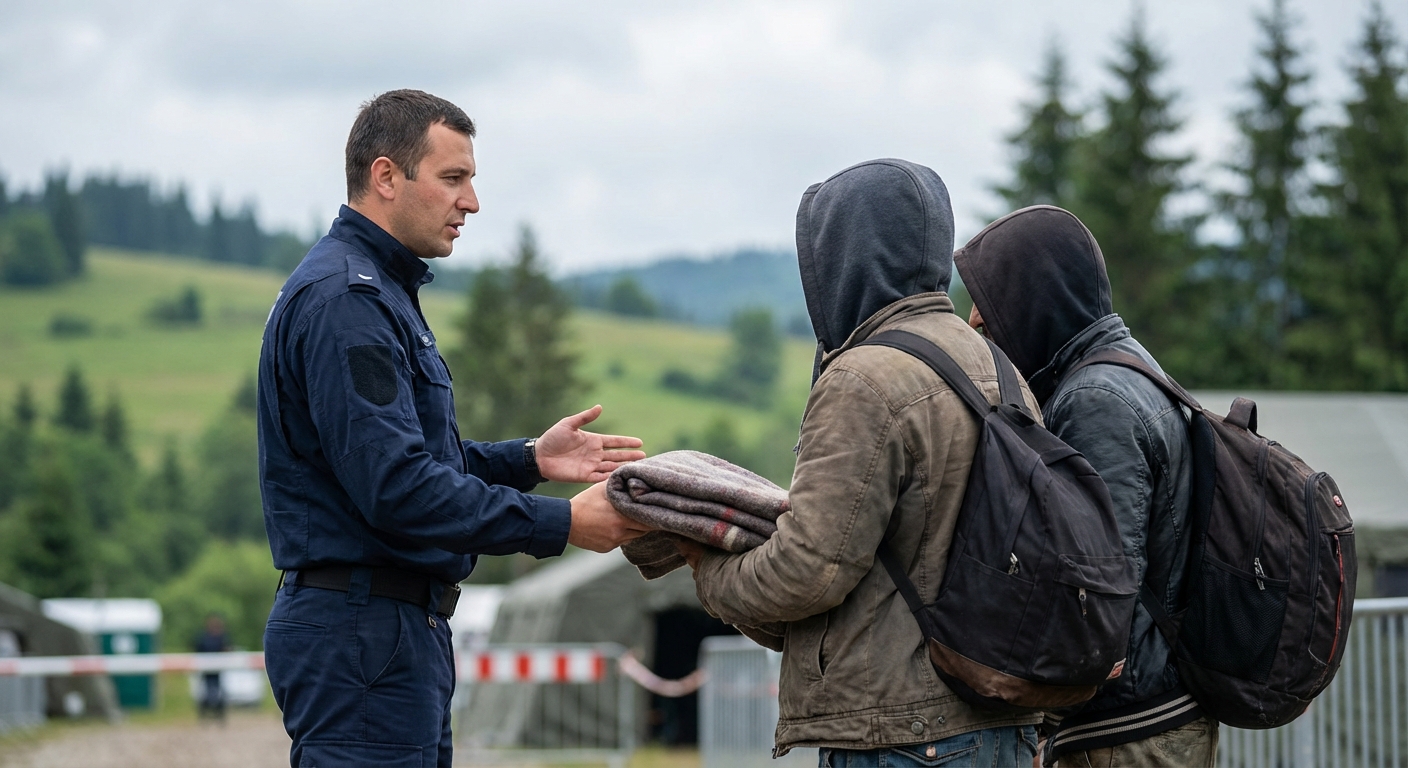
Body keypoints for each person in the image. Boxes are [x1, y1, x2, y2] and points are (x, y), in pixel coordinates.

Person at [257, 89, 649, 768]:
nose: (471, 202)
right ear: (386, 176)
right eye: (453, 178)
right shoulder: (349, 304)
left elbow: (414, 463)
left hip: (387, 631)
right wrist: (561, 525)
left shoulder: (378, 292)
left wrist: (528, 459)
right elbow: (398, 489)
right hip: (364, 635)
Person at [679, 159, 1043, 766]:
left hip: (903, 732)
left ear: (844, 256)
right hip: (999, 719)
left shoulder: (864, 377)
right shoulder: (1000, 367)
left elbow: (810, 568)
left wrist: (707, 570)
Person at [954, 205, 1217, 767]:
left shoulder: (1094, 399)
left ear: (1037, 295)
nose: (975, 320)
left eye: (992, 295)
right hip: (1143, 720)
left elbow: (1097, 594)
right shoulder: (1126, 368)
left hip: (1128, 732)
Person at [194, 614, 230, 722]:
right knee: (204, 693)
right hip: (206, 671)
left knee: (220, 693)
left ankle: (220, 716)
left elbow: (227, 649)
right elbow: (198, 649)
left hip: (218, 671)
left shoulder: (222, 637)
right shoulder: (204, 637)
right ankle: (204, 716)